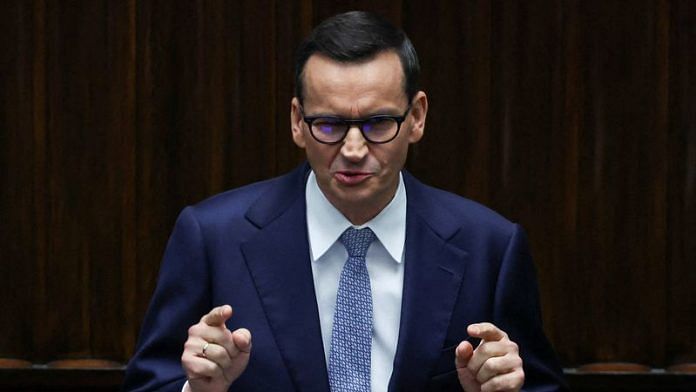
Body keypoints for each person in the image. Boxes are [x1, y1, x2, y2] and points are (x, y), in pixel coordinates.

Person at [123, 10, 568, 392]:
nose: (353, 149)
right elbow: (149, 382)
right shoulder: (212, 237)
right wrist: (199, 389)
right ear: (298, 121)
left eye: (377, 123)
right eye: (330, 124)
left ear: (416, 117)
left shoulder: (490, 247)